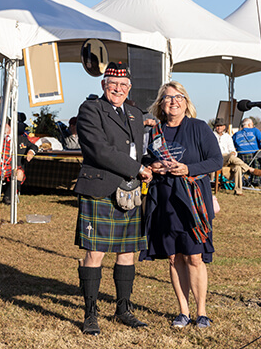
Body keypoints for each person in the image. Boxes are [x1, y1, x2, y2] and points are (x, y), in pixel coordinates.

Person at [74, 61, 152, 335]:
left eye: (123, 85)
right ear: (103, 85)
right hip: (101, 188)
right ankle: (90, 314)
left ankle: (123, 309)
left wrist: (156, 165)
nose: (117, 89)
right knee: (95, 252)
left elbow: (139, 150)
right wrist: (139, 169)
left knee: (127, 252)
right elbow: (99, 150)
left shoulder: (134, 113)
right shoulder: (91, 109)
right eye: (112, 84)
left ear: (129, 87)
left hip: (129, 190)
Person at [139, 81, 223, 328]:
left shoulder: (198, 128)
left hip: (192, 203)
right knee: (174, 257)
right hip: (164, 200)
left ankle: (202, 312)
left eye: (178, 97)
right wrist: (151, 165)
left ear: (186, 102)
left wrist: (188, 169)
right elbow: (146, 157)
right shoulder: (156, 132)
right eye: (167, 98)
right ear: (160, 105)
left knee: (194, 257)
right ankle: (183, 312)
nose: (173, 101)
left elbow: (216, 160)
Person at [213, 118, 261, 195]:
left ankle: (238, 191)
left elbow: (233, 149)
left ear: (224, 127)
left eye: (221, 125)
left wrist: (233, 152)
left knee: (238, 167)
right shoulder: (211, 136)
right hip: (218, 158)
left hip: (236, 158)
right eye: (217, 126)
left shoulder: (229, 136)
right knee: (230, 157)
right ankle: (250, 169)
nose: (219, 127)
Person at [0, 119, 38, 205]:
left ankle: (8, 197)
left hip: (13, 166)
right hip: (0, 166)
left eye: (5, 124)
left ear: (10, 126)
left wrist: (31, 152)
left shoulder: (21, 139)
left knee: (19, 173)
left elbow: (34, 146)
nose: (2, 126)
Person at [233, 118, 261, 186]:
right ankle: (257, 180)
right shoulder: (255, 130)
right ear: (249, 124)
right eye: (252, 125)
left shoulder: (236, 134)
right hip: (254, 159)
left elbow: (232, 146)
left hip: (241, 160)